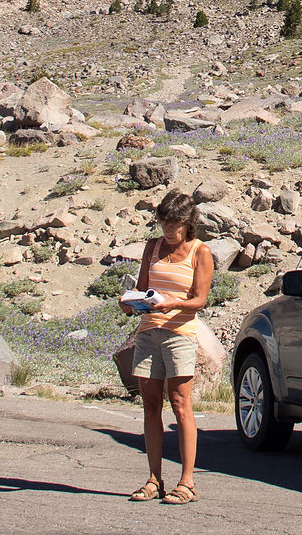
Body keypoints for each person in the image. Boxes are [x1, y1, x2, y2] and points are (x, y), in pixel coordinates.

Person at [122, 190, 214, 505]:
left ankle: (187, 481)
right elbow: (143, 286)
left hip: (180, 332)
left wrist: (172, 302)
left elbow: (199, 300)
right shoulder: (153, 247)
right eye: (164, 224)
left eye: (175, 225)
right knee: (149, 404)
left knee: (180, 403)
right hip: (148, 331)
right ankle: (153, 478)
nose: (169, 231)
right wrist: (131, 301)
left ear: (188, 224)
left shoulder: (200, 252)